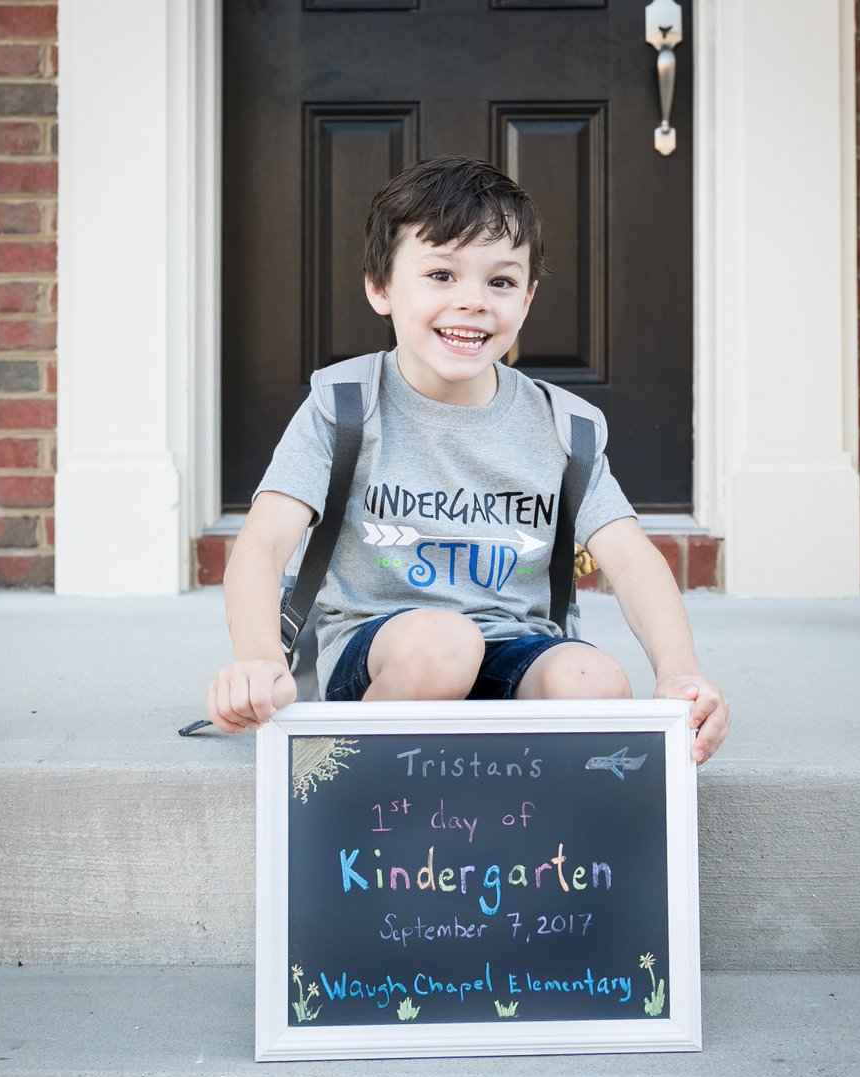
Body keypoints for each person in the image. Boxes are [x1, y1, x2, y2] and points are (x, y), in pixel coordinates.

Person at [207, 156, 730, 763]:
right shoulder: (345, 406)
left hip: (516, 647)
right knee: (441, 647)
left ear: (527, 300)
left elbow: (633, 561)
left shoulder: (564, 427)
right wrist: (258, 657)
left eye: (501, 282)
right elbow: (263, 542)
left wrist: (680, 674)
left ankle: (522, 835)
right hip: (387, 655)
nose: (474, 301)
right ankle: (347, 782)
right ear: (380, 287)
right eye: (441, 274)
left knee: (597, 684)